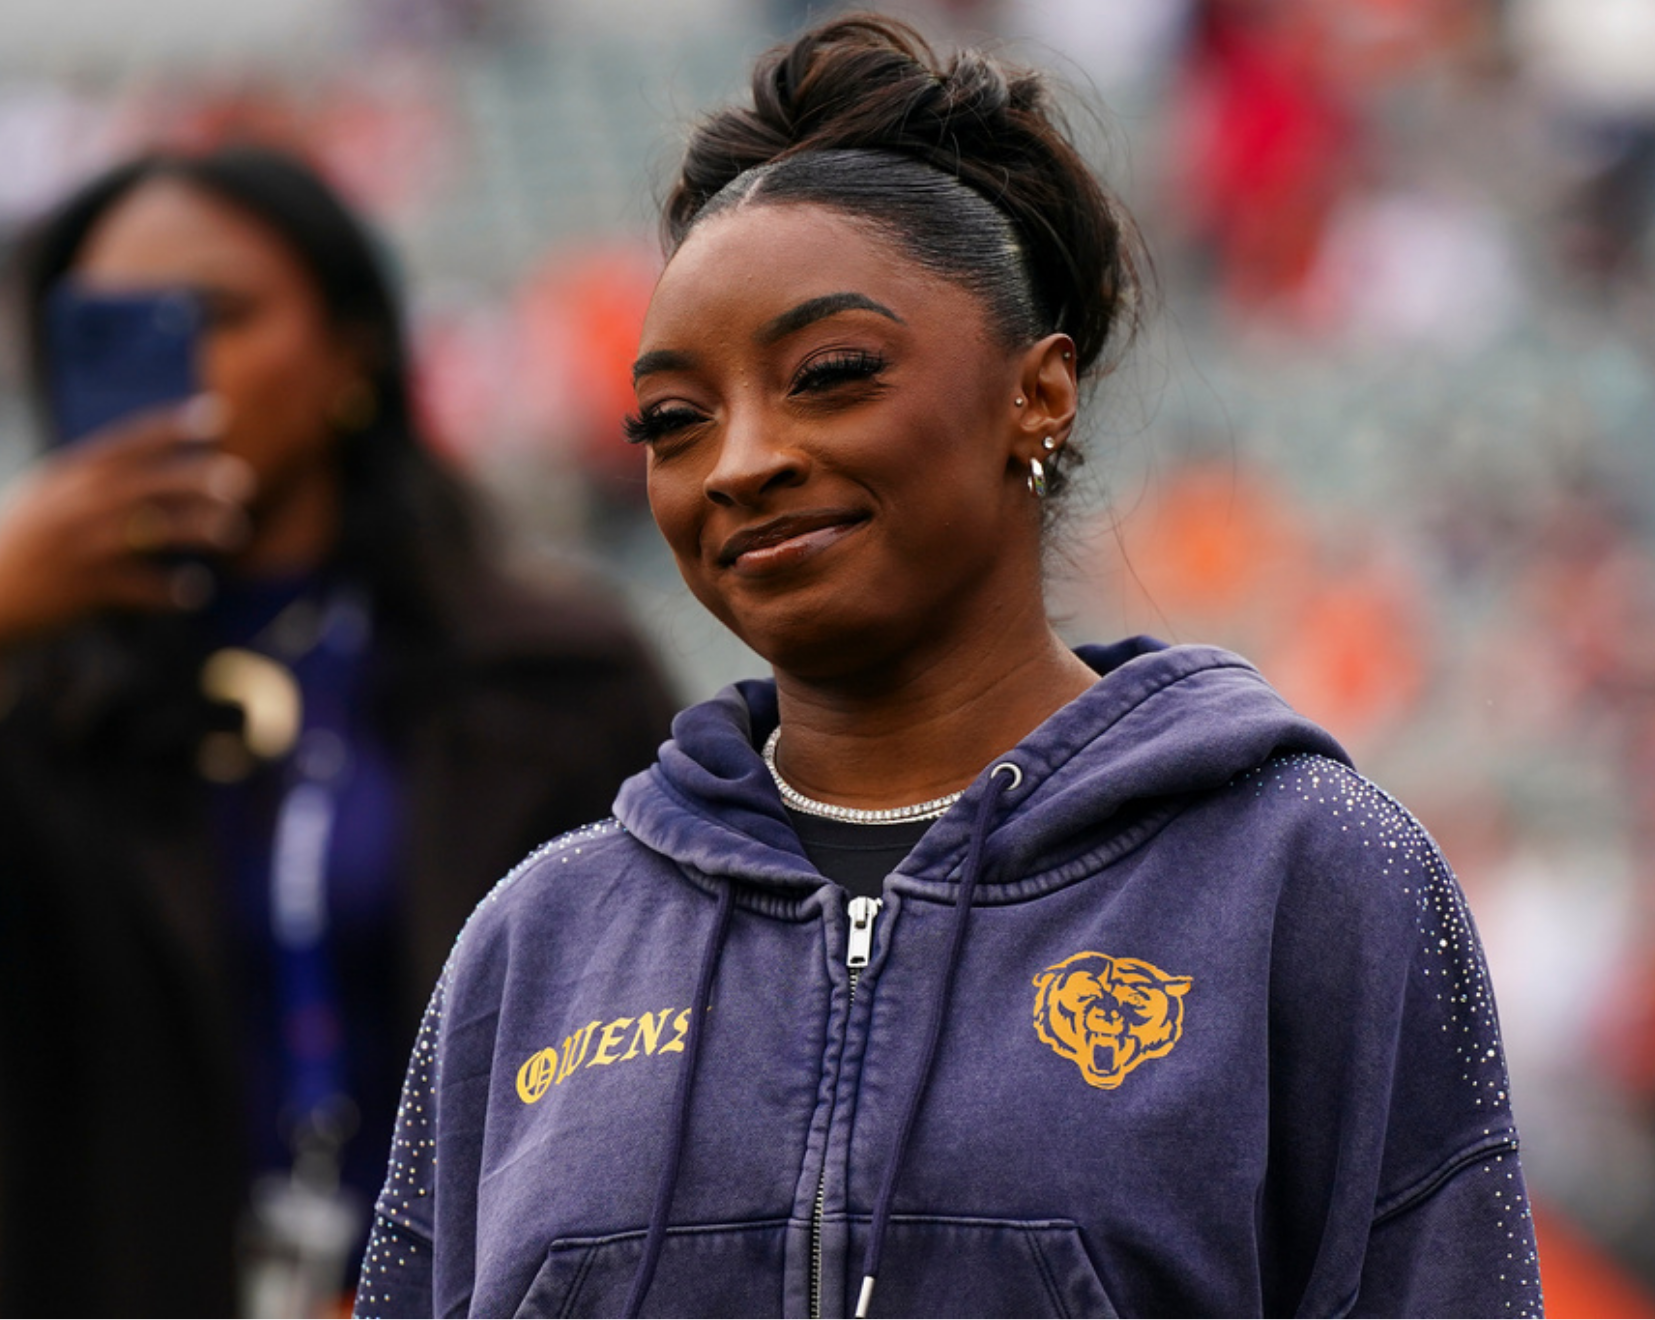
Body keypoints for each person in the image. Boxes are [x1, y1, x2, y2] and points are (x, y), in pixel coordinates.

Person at [356, 16, 1544, 1318]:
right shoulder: (540, 940)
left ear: (1038, 394)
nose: (741, 461)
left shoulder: (1303, 875)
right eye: (675, 420)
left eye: (833, 374)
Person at [0, 145, 676, 1316]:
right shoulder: (22, 677)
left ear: (350, 355)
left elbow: (658, 1041)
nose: (174, 369)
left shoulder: (546, 670)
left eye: (217, 313)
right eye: (111, 331)